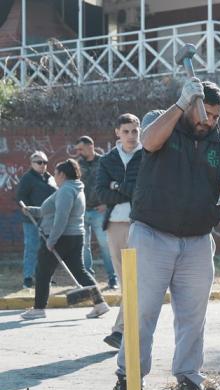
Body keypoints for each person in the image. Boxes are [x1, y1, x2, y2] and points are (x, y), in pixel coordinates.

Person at [112, 79, 220, 390]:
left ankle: (189, 382)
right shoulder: (160, 121)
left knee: (193, 316)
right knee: (142, 311)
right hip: (151, 234)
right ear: (191, 105)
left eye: (217, 117)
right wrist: (179, 104)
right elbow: (148, 142)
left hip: (197, 241)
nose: (210, 122)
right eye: (206, 113)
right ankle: (128, 380)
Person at [18, 159, 110, 320]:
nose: (54, 176)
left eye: (55, 173)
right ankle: (100, 304)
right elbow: (47, 210)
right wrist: (30, 210)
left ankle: (39, 308)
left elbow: (62, 217)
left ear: (62, 174)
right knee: (79, 271)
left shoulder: (66, 190)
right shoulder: (74, 188)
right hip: (74, 236)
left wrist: (52, 239)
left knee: (42, 272)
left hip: (62, 237)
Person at [93, 114, 143, 350]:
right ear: (117, 133)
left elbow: (144, 191)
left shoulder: (148, 155)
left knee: (137, 281)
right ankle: (126, 331)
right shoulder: (107, 160)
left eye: (135, 131)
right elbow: (101, 194)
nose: (131, 136)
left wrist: (118, 186)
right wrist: (125, 190)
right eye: (126, 131)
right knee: (126, 282)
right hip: (114, 226)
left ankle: (121, 331)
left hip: (141, 224)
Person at [75, 136, 117, 290]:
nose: (78, 152)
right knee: (83, 246)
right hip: (82, 211)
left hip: (99, 210)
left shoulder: (104, 162)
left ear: (90, 146)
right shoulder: (77, 165)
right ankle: (88, 280)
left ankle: (112, 278)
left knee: (105, 245)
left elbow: (113, 183)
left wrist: (107, 203)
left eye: (81, 149)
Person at [15, 151, 57, 289]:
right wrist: (25, 208)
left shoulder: (50, 178)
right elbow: (20, 197)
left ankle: (46, 277)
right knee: (31, 248)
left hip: (48, 220)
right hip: (32, 220)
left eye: (45, 162)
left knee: (47, 249)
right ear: (31, 164)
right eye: (39, 162)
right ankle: (28, 277)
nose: (43, 165)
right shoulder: (27, 178)